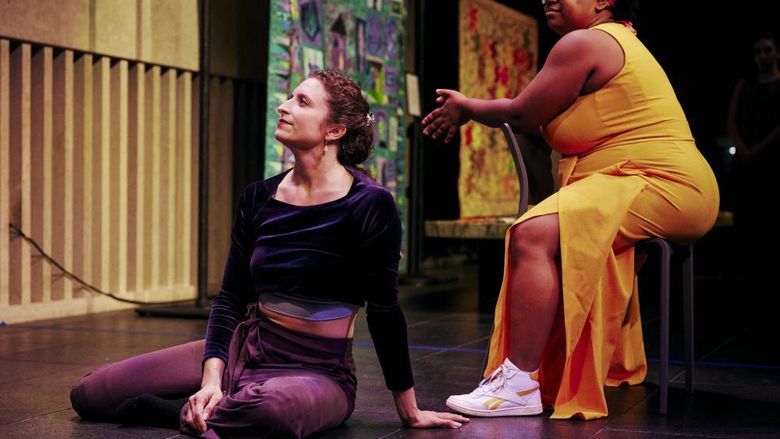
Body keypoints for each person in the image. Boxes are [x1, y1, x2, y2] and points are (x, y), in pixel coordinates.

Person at [71, 69, 468, 437]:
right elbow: (230, 298)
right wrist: (211, 378)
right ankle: (218, 398)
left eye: (302, 101)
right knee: (90, 395)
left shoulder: (369, 204)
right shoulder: (258, 198)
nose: (283, 105)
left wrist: (409, 409)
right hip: (248, 345)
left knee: (273, 411)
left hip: (319, 370)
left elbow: (384, 310)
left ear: (334, 130)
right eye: (289, 97)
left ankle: (175, 412)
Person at [422, 0, 719, 420]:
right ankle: (571, 369)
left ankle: (519, 383)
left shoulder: (587, 42)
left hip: (660, 181)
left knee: (531, 233)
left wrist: (466, 107)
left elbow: (523, 113)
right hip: (657, 181)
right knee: (556, 234)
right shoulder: (616, 41)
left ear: (603, 1)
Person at [727, 31, 780, 284]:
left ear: (777, 53)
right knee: (746, 216)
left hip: (771, 162)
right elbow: (732, 120)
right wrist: (742, 147)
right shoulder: (744, 85)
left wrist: (757, 150)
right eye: (758, 51)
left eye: (767, 50)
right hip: (746, 163)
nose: (762, 56)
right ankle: (745, 271)